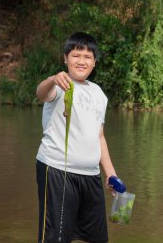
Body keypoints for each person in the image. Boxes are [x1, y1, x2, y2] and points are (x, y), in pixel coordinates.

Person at [35, 32, 117, 243]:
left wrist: (110, 174)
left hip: (90, 176)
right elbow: (41, 94)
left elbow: (99, 136)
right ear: (65, 58)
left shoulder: (99, 94)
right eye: (76, 55)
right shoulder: (60, 85)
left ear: (95, 62)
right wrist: (52, 79)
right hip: (57, 171)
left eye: (87, 57)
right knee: (56, 237)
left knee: (98, 238)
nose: (81, 61)